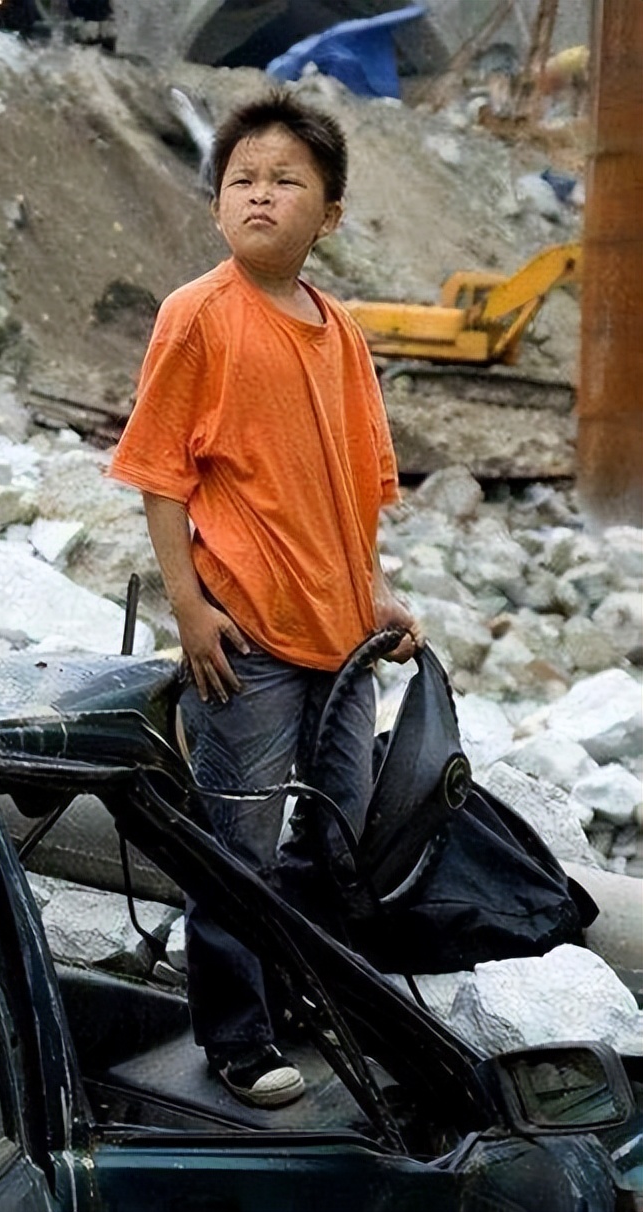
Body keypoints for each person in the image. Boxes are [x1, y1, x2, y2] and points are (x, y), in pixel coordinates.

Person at [108, 89, 420, 1109]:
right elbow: (161, 475)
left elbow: (359, 489)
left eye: (287, 180)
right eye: (243, 178)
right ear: (216, 204)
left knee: (339, 838)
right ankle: (236, 1038)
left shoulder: (342, 336)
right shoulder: (198, 316)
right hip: (246, 637)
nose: (261, 194)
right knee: (234, 842)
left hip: (342, 643)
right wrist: (189, 607)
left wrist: (374, 598)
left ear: (328, 215)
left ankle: (304, 997)